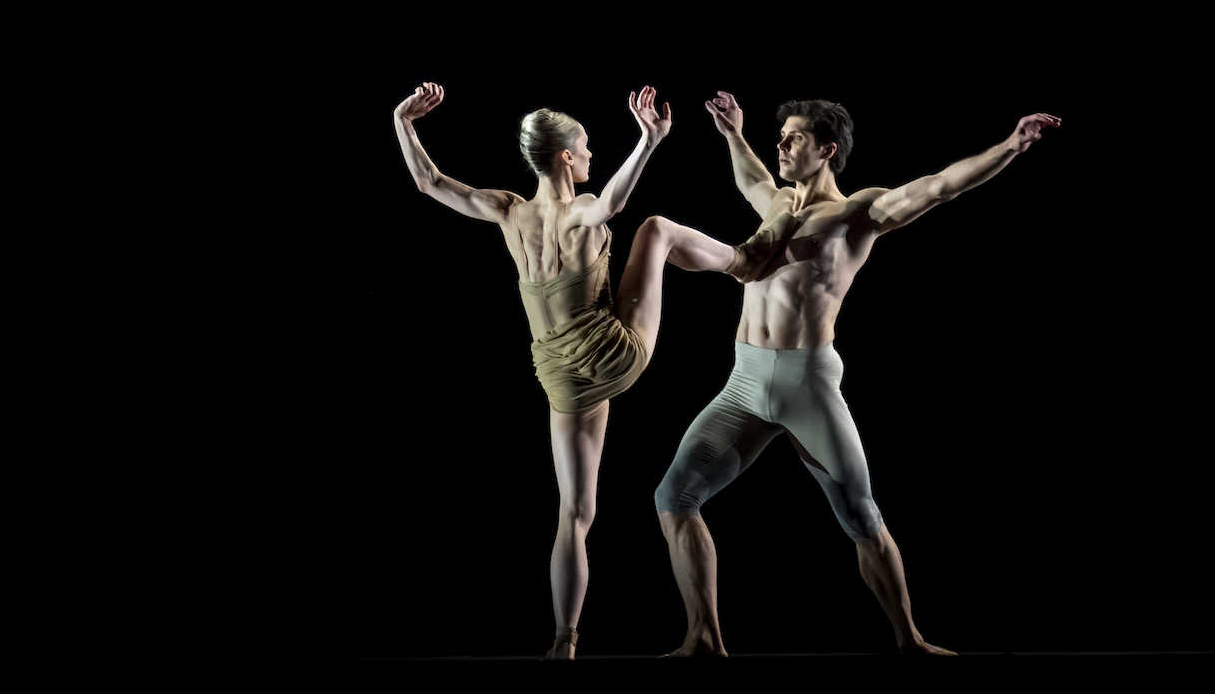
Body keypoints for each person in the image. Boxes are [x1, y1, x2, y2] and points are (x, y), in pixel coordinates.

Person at [653, 92, 1061, 657]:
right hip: (744, 382)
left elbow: (940, 186)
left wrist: (1011, 146)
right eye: (782, 136)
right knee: (674, 496)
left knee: (860, 516)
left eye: (795, 137)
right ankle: (703, 636)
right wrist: (733, 133)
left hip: (806, 384)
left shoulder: (857, 214)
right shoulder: (776, 203)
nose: (782, 145)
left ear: (827, 149)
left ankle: (910, 639)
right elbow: (751, 177)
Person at [393, 82, 752, 659]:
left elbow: (428, 182)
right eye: (584, 146)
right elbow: (611, 204)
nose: (590, 153)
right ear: (565, 156)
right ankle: (745, 263)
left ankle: (564, 641)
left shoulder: (508, 210)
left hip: (562, 379)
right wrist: (649, 141)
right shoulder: (579, 211)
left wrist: (403, 123)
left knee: (575, 513)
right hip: (616, 352)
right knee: (656, 230)